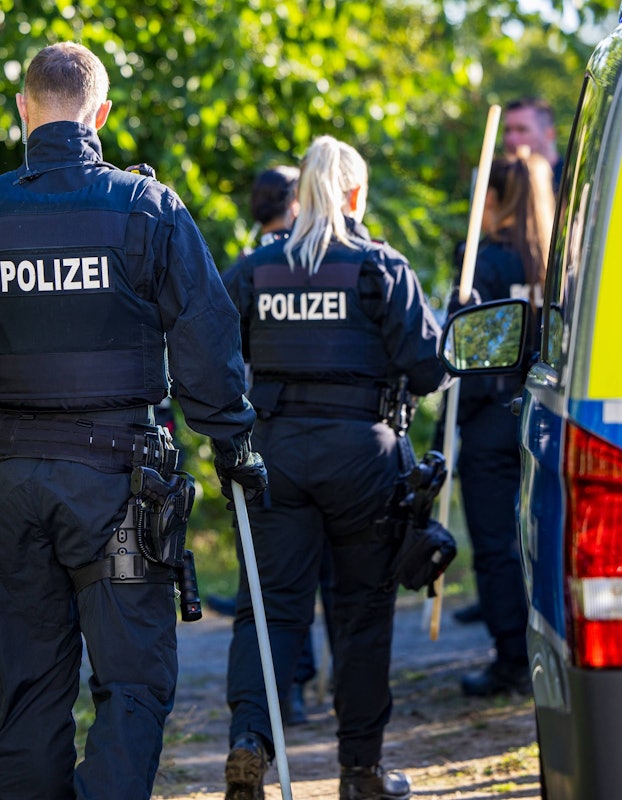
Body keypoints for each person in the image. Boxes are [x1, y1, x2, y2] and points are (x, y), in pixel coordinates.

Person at [0, 42, 266, 800]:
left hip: (17, 489)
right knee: (133, 680)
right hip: (119, 493)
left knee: (31, 690)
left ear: (23, 110)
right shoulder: (148, 210)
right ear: (100, 115)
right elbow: (205, 337)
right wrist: (233, 441)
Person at [221, 135, 448, 800]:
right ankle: (360, 771)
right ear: (355, 194)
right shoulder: (380, 268)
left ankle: (249, 741)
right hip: (362, 460)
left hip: (275, 455)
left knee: (268, 609)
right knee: (361, 612)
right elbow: (428, 371)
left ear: (300, 194)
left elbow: (214, 355)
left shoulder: (256, 268)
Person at [215, 164, 335, 727]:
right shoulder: (316, 258)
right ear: (295, 203)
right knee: (322, 570)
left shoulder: (248, 266)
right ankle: (313, 688)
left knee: (271, 579)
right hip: (330, 435)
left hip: (264, 435)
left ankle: (275, 700)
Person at [448, 151, 555, 697]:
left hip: (493, 419)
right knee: (546, 538)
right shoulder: (560, 262)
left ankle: (512, 657)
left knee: (496, 546)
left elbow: (467, 354)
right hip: (549, 415)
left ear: (494, 198)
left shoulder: (485, 263)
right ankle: (546, 649)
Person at [503, 97, 563, 192]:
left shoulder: (570, 179)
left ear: (549, 134)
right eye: (507, 130)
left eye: (522, 129)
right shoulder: (500, 179)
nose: (511, 138)